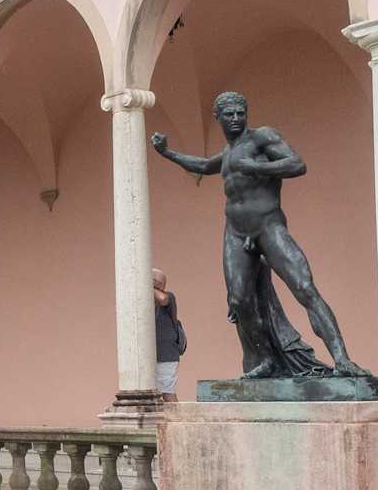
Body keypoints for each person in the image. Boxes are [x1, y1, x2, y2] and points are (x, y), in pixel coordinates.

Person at [149, 91, 367, 379]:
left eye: (241, 112)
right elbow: (202, 166)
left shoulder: (262, 138)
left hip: (268, 225)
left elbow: (296, 164)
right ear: (218, 118)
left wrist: (257, 167)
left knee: (304, 287)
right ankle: (265, 359)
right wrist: (168, 153)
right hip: (236, 232)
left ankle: (342, 358)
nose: (236, 118)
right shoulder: (228, 153)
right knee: (239, 300)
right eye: (229, 114)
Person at [152, 268, 186, 398]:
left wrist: (145, 285)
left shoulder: (169, 297)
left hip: (166, 355)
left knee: (167, 394)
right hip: (151, 356)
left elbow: (162, 299)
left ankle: (178, 419)